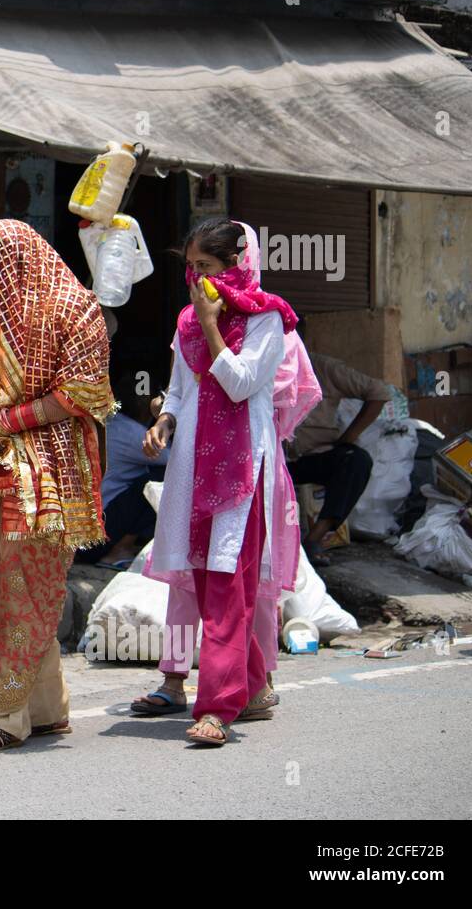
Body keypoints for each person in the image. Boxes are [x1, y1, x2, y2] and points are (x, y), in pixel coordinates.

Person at [0, 219, 116, 752]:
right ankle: (47, 708)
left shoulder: (76, 309)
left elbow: (82, 393)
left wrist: (2, 424)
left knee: (20, 594)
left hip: (48, 481)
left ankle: (8, 716)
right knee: (7, 591)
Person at [141, 217, 308, 746]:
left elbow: (236, 385)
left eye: (206, 267)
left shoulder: (267, 320)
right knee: (214, 582)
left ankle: (218, 706)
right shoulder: (188, 319)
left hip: (241, 467)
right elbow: (180, 391)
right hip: (193, 464)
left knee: (228, 581)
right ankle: (253, 688)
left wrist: (214, 326)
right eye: (190, 268)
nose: (196, 279)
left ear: (237, 265)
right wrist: (164, 423)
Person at [286, 335, 390, 565]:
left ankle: (314, 539)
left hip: (314, 455)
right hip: (275, 459)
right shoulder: (262, 366)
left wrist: (349, 436)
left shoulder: (322, 367)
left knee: (357, 461)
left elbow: (378, 392)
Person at [75, 371, 169, 569]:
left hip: (77, 540)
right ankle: (120, 550)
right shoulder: (130, 432)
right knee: (163, 479)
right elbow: (175, 459)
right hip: (96, 540)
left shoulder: (107, 423)